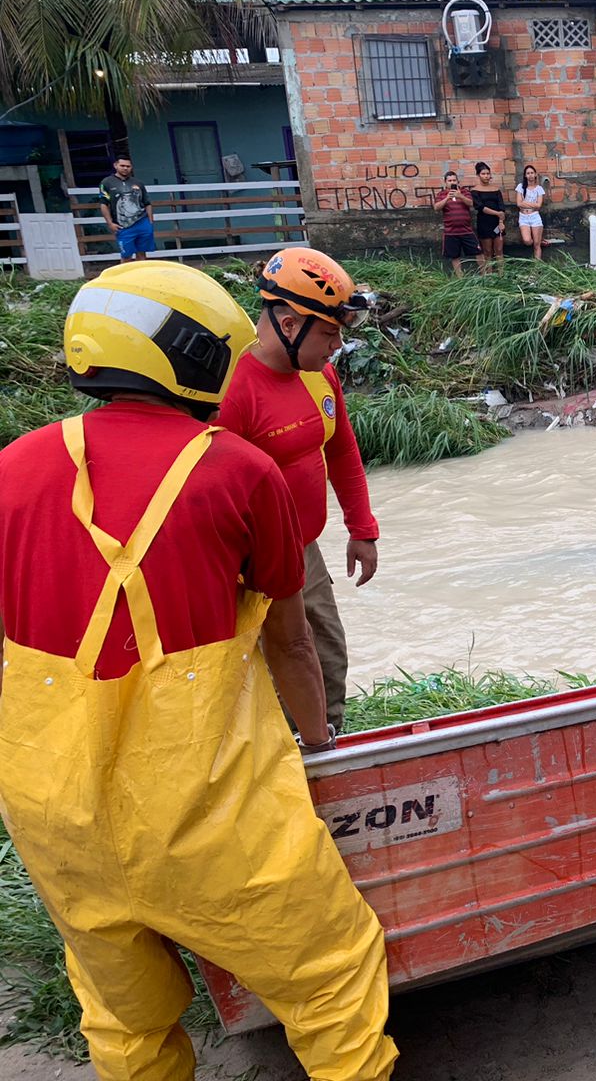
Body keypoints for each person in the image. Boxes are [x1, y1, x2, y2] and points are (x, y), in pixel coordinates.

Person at [0, 261, 397, 1079]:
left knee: (123, 1021)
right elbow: (289, 646)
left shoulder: (12, 469)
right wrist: (319, 747)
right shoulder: (236, 470)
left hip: (53, 814)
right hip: (205, 809)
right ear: (198, 355)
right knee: (334, 980)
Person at [218, 246, 380, 734]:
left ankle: (328, 739)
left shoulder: (319, 375)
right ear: (290, 325)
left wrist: (362, 528)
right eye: (329, 333)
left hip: (301, 549)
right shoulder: (232, 393)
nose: (337, 346)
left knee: (325, 652)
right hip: (242, 564)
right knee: (263, 666)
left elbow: (342, 451)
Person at [97, 154, 155, 261]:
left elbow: (147, 202)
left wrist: (150, 221)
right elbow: (104, 204)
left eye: (128, 166)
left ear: (131, 167)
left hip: (142, 222)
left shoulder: (138, 183)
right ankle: (125, 278)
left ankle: (141, 276)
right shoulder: (106, 183)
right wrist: (110, 223)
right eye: (122, 165)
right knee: (126, 256)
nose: (125, 168)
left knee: (142, 254)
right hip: (123, 225)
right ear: (116, 165)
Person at [434, 169, 483, 275]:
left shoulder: (464, 192)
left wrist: (460, 196)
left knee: (478, 252)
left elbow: (471, 204)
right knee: (455, 256)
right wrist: (447, 198)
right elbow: (436, 207)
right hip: (450, 232)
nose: (452, 182)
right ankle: (461, 278)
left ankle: (485, 275)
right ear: (445, 182)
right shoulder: (441, 194)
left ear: (457, 181)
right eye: (450, 180)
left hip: (466, 230)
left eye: (454, 180)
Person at [470, 161, 507, 266]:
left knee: (499, 250)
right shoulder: (475, 191)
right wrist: (497, 213)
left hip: (497, 223)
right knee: (487, 252)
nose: (486, 176)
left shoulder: (496, 189)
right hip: (484, 223)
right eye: (483, 174)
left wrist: (501, 222)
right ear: (478, 175)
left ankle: (501, 275)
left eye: (488, 174)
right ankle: (489, 276)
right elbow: (480, 207)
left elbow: (501, 207)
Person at [516, 164, 546, 259]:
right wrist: (533, 204)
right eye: (528, 173)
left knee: (536, 246)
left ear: (535, 174)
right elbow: (519, 204)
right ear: (525, 175)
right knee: (527, 240)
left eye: (532, 173)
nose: (530, 175)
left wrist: (525, 202)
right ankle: (539, 240)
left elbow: (539, 205)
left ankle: (537, 269)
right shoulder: (521, 187)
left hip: (535, 217)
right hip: (523, 217)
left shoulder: (539, 189)